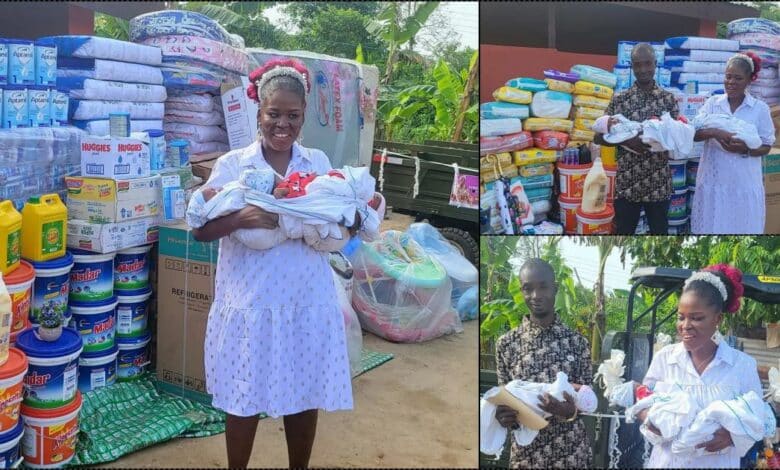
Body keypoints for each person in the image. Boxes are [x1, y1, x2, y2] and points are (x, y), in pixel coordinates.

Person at [190, 58, 359, 469]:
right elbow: (199, 230)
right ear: (259, 112)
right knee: (243, 395)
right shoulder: (234, 166)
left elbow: (344, 217)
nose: (283, 124)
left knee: (304, 393)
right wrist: (240, 218)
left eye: (293, 115)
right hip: (252, 303)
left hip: (306, 299)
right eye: (274, 114)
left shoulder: (317, 164)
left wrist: (348, 218)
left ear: (304, 117)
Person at [635, 264, 760, 468]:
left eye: (697, 318)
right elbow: (644, 397)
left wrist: (732, 435)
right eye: (681, 317)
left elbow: (757, 418)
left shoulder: (742, 366)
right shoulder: (665, 358)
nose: (685, 325)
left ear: (717, 319)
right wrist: (650, 419)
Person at [493, 258, 593, 468]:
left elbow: (587, 401)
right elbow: (505, 398)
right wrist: (503, 416)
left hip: (570, 454)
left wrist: (567, 411)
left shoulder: (577, 343)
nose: (536, 296)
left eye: (543, 287)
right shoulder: (506, 344)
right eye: (528, 289)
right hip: (526, 457)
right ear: (521, 291)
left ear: (555, 289)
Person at [594, 43, 680, 235]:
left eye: (647, 64)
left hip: (658, 183)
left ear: (655, 64)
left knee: (660, 235)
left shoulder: (668, 100)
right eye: (638, 65)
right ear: (631, 66)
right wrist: (625, 141)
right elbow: (598, 136)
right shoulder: (619, 100)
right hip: (628, 184)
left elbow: (677, 137)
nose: (643, 70)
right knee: (624, 234)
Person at [691, 52, 775, 234]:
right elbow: (693, 134)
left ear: (749, 80)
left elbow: (767, 145)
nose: (731, 82)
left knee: (741, 227)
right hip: (713, 183)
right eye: (728, 77)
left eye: (738, 78)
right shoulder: (712, 104)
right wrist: (715, 132)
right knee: (712, 226)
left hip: (743, 184)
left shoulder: (759, 109)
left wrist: (746, 149)